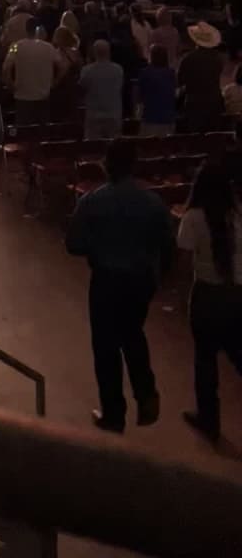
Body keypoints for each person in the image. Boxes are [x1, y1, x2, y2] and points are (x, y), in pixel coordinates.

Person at [66, 137, 175, 433]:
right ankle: (147, 394)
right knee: (133, 334)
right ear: (134, 165)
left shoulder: (92, 201)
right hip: (141, 281)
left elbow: (73, 244)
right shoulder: (153, 202)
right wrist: (158, 275)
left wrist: (98, 248)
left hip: (106, 279)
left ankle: (114, 413)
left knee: (105, 346)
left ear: (106, 165)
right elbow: (168, 245)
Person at [177, 160, 242, 441]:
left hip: (206, 294)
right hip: (237, 294)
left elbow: (182, 262)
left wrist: (181, 296)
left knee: (205, 361)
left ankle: (209, 420)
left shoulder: (193, 217)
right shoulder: (238, 216)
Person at [2, 17, 58, 127]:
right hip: (43, 95)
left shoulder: (16, 46)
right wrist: (54, 82)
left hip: (23, 95)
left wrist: (10, 84)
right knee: (43, 132)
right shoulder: (48, 47)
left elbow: (6, 68)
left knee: (24, 132)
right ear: (38, 30)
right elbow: (62, 65)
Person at [178, 22, 224, 133]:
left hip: (195, 103)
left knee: (195, 138)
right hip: (214, 102)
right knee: (213, 137)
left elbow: (180, 80)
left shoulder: (188, 59)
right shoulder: (218, 59)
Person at [79, 40, 124, 139]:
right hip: (113, 114)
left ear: (94, 52)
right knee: (113, 146)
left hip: (94, 115)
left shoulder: (87, 70)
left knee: (94, 148)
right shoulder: (118, 69)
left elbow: (81, 88)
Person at [136, 45, 177, 137]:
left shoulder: (145, 73)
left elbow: (140, 95)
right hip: (168, 117)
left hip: (150, 117)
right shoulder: (171, 73)